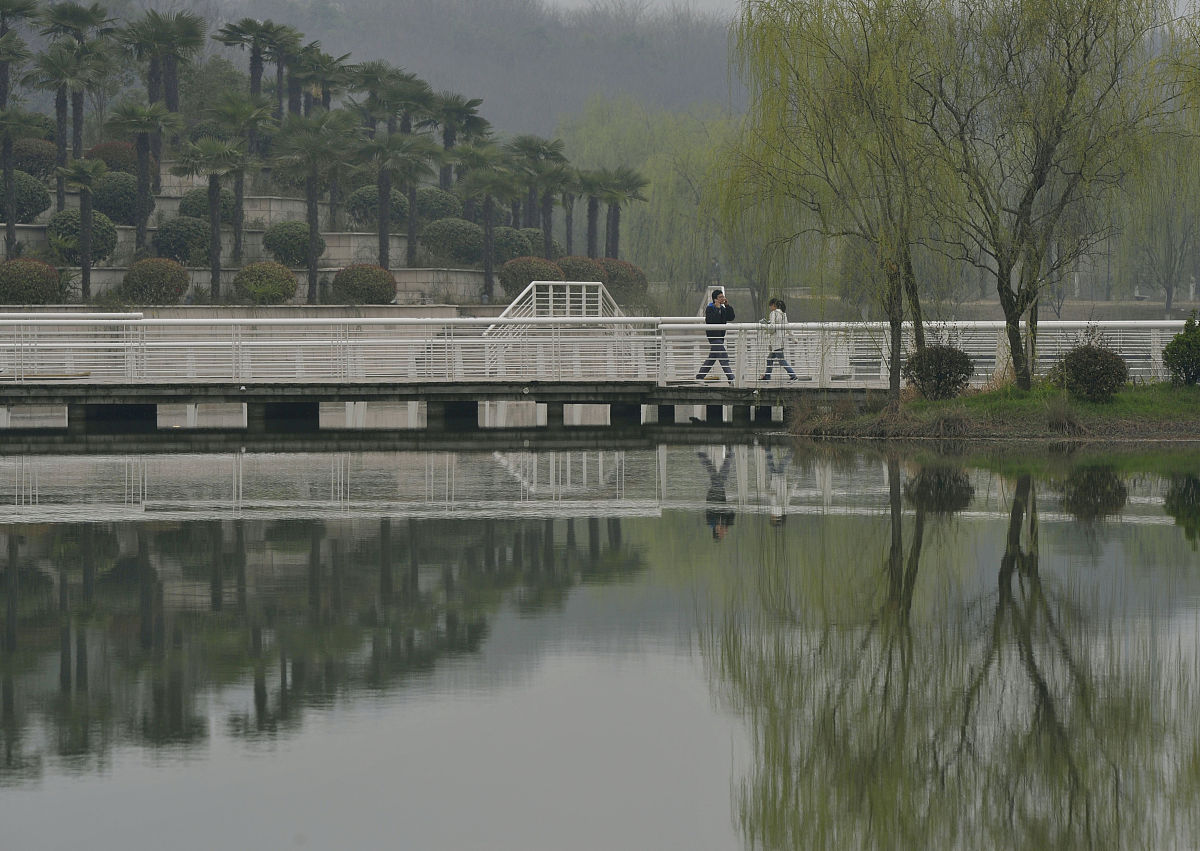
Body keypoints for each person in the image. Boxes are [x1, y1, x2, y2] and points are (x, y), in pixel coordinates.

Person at [696, 289, 736, 383]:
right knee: (723, 356)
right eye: (720, 297)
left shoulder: (722, 308)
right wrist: (717, 309)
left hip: (720, 336)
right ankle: (731, 378)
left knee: (712, 358)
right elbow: (711, 320)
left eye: (723, 296)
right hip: (713, 336)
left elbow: (731, 317)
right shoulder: (710, 308)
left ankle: (699, 377)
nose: (723, 298)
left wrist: (727, 306)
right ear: (715, 299)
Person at [698, 446, 736, 541]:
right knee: (714, 472)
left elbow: (712, 509)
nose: (724, 532)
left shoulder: (711, 522)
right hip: (721, 494)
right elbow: (732, 512)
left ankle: (731, 452)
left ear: (717, 531)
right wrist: (727, 524)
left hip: (713, 495)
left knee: (719, 473)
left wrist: (720, 522)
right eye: (724, 533)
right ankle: (701, 454)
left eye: (722, 534)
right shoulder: (725, 523)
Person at [761, 297, 798, 381]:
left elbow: (772, 327)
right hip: (781, 341)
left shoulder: (773, 313)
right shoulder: (783, 314)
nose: (770, 308)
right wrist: (793, 338)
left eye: (770, 306)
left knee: (781, 360)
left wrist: (766, 327)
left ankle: (793, 375)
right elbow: (787, 327)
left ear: (774, 305)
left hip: (775, 341)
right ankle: (767, 376)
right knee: (770, 359)